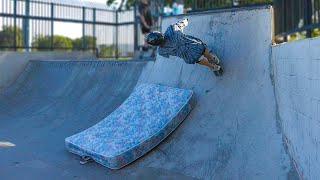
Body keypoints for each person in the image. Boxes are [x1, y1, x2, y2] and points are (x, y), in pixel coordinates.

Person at [146, 18, 221, 72]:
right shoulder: (172, 30)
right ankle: (211, 57)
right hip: (195, 45)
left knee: (197, 59)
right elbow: (184, 22)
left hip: (188, 56)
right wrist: (185, 20)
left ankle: (212, 66)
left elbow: (166, 55)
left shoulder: (161, 51)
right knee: (202, 47)